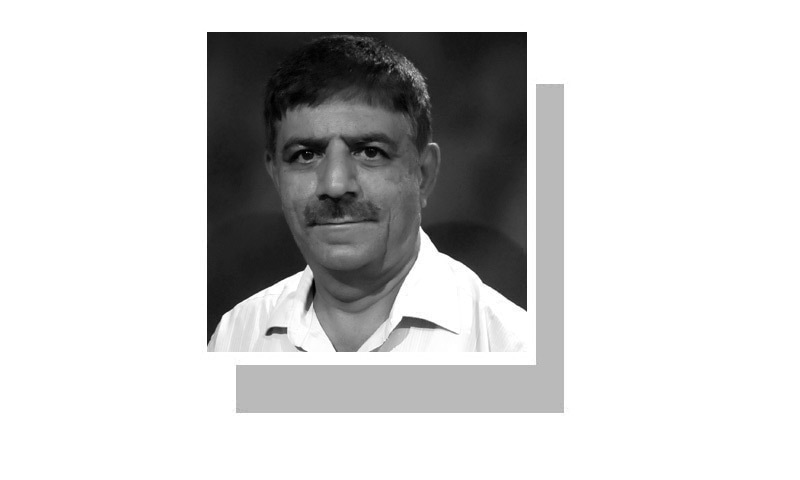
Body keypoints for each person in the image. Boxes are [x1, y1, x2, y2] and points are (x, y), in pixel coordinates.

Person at [208, 34, 531, 352]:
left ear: (424, 173)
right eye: (306, 155)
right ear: (275, 174)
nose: (335, 185)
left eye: (370, 152)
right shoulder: (237, 336)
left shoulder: (511, 346)